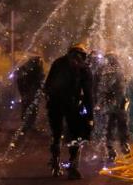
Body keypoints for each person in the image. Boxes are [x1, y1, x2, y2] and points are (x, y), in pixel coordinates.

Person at [44, 43, 93, 179]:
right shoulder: (83, 67)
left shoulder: (58, 62)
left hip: (55, 104)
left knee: (56, 134)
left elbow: (47, 85)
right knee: (75, 136)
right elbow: (89, 94)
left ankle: (55, 164)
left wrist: (50, 100)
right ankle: (73, 167)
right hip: (73, 106)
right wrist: (90, 115)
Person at [97, 53, 130, 162]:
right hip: (118, 103)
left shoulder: (106, 71)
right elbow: (124, 87)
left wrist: (101, 101)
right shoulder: (119, 71)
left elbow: (102, 87)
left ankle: (112, 148)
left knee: (110, 126)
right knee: (120, 125)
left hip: (111, 103)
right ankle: (122, 145)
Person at [16, 56, 45, 130]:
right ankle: (28, 124)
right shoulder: (35, 69)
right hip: (30, 91)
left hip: (29, 91)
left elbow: (19, 80)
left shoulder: (26, 68)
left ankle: (27, 124)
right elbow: (39, 80)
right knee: (31, 108)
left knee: (28, 107)